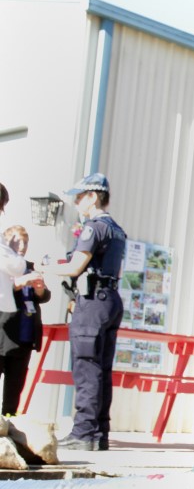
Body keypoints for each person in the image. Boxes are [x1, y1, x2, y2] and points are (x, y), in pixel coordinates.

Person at [36, 173, 127, 451]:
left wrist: (44, 268)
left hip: (92, 302)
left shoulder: (94, 228)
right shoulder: (117, 230)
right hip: (111, 298)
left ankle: (83, 432)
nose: (76, 202)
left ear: (92, 196)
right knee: (102, 368)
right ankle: (99, 433)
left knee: (87, 367)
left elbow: (76, 267)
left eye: (79, 196)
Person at [2, 226, 50, 417]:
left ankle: (9, 420)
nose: (21, 246)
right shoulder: (4, 266)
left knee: (16, 384)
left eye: (25, 242)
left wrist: (39, 289)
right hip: (4, 333)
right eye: (16, 241)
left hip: (25, 335)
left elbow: (44, 296)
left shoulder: (30, 267)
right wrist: (18, 283)